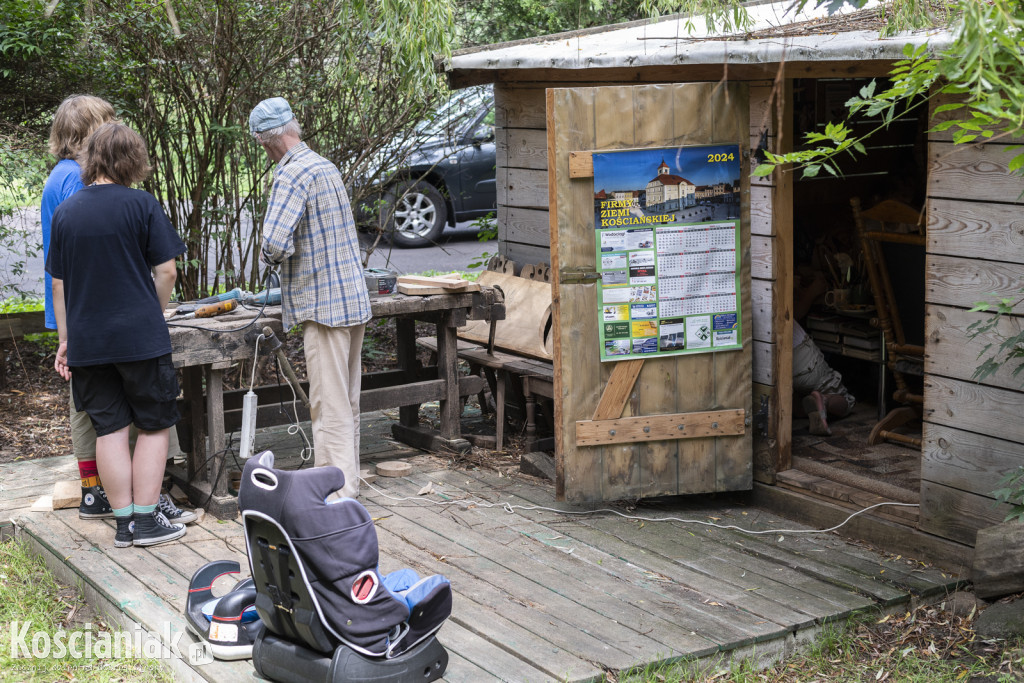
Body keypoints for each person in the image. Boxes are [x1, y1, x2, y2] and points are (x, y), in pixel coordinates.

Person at [41, 95, 196, 526]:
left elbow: (58, 282)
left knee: (108, 430)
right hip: (138, 336)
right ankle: (148, 518)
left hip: (88, 340)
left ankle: (125, 521)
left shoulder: (68, 211)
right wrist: (153, 311)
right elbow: (165, 271)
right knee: (152, 425)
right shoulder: (142, 204)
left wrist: (66, 341)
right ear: (133, 160)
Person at [249, 97, 371, 498]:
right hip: (352, 300)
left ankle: (335, 494)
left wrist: (271, 256)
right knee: (347, 401)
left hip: (323, 307)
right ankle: (347, 482)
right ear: (294, 128)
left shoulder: (291, 174)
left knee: (328, 404)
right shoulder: (324, 165)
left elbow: (274, 243)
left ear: (268, 142)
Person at [793, 269, 855, 436]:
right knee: (846, 400)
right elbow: (793, 313)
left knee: (800, 402)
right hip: (804, 362)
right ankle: (825, 400)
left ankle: (807, 406)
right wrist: (811, 292)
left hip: (779, 366)